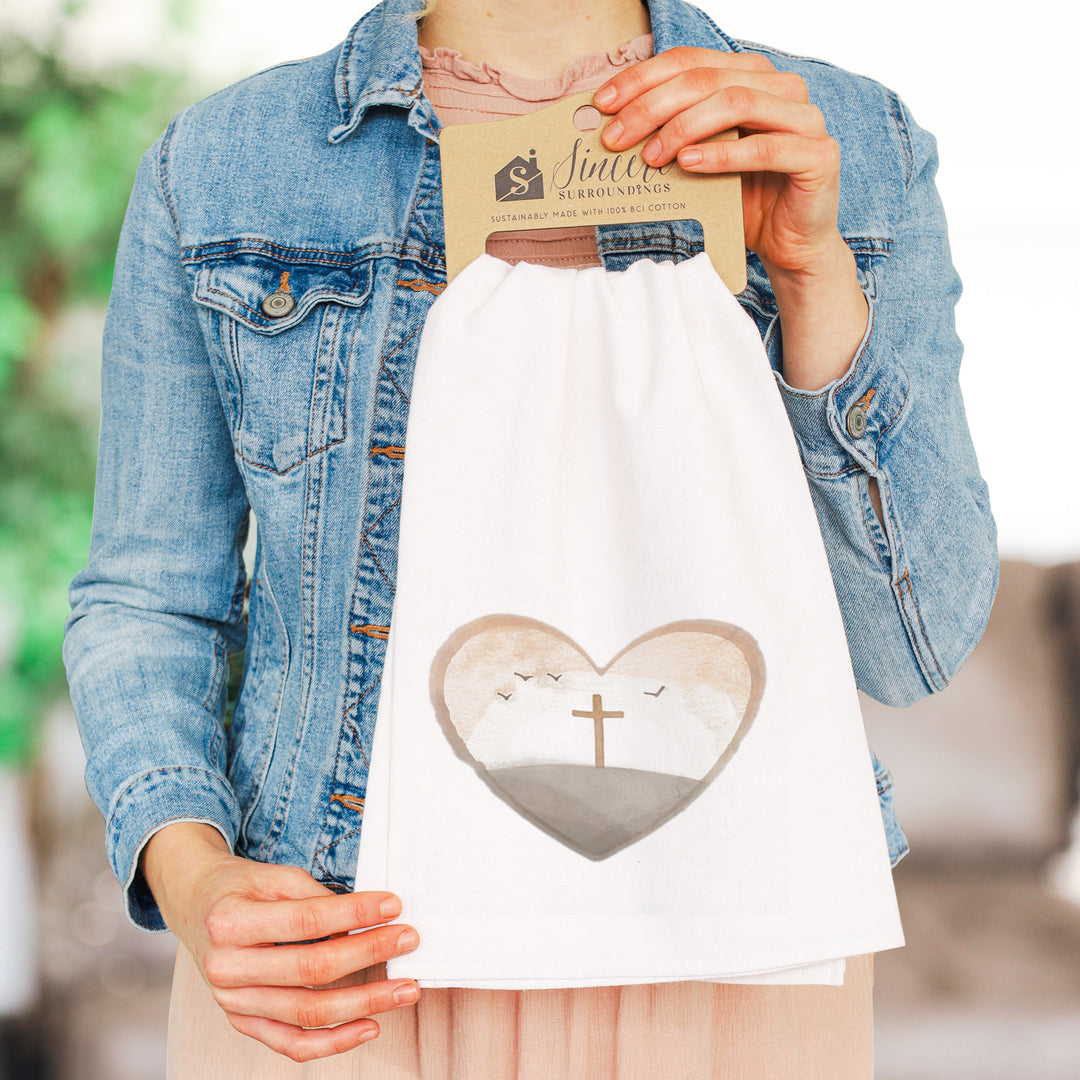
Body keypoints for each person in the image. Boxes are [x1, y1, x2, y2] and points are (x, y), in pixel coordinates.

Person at [62, 0, 997, 1075]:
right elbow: (149, 595)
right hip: (338, 958)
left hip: (738, 953)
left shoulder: (849, 145)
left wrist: (814, 272)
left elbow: (912, 646)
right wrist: (190, 872)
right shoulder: (226, 165)